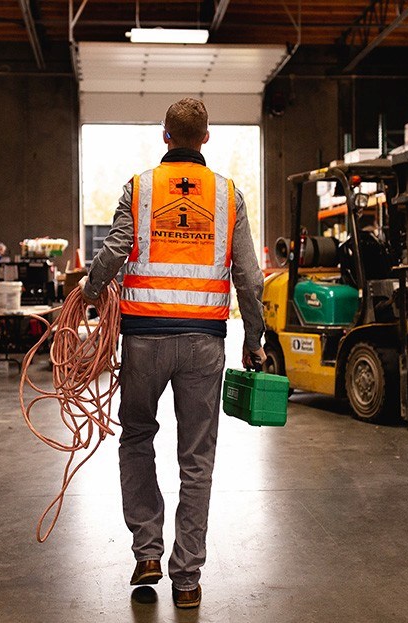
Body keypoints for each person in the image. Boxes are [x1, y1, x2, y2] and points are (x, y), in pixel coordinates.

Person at [81, 98, 265, 609]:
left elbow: (116, 250)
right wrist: (255, 337)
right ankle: (187, 579)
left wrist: (91, 293)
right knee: (197, 459)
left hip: (143, 342)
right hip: (205, 345)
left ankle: (146, 551)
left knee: (137, 437)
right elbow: (249, 279)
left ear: (165, 136)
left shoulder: (139, 189)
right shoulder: (229, 196)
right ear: (205, 139)